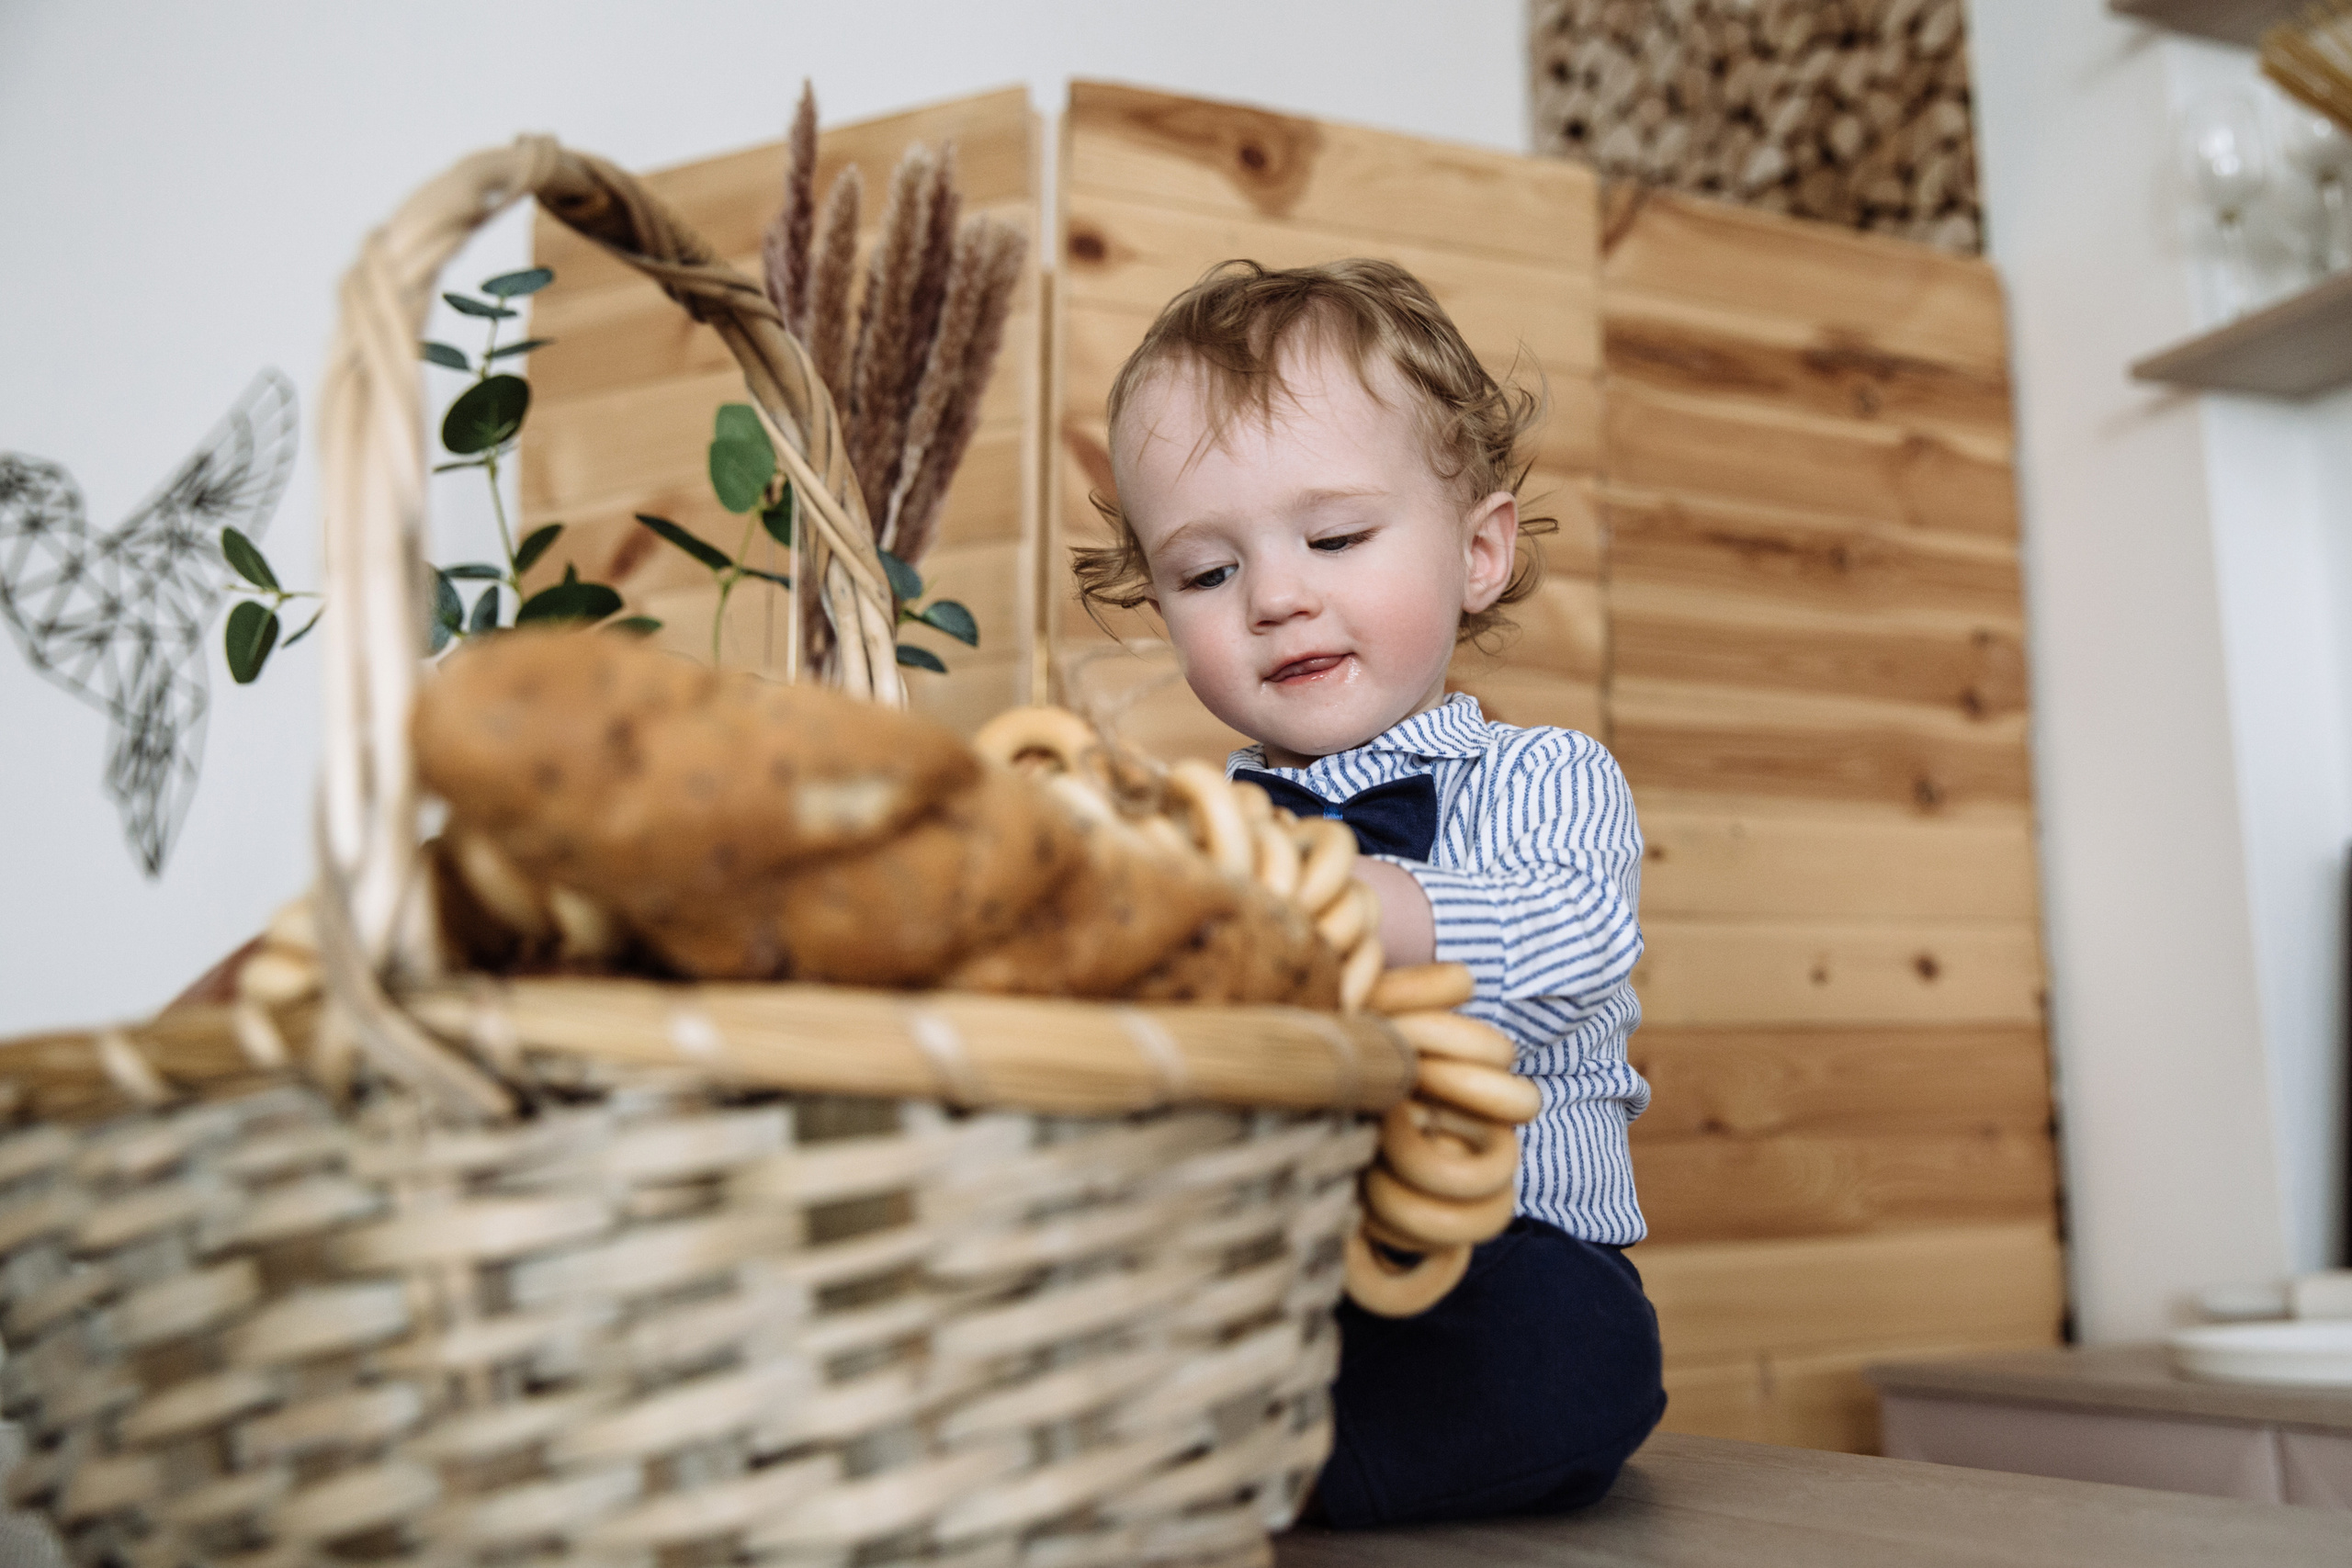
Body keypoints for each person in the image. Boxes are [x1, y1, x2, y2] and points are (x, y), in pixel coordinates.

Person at [1074, 258, 1666, 1528]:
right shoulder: (1192, 830)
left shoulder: (1546, 776)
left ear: (1480, 553)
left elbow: (1573, 940)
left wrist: (1346, 903)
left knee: (1578, 1353)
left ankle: (1263, 1470)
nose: (1278, 598)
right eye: (1206, 573)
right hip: (1264, 1266)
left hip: (1497, 1255)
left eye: (1336, 539)